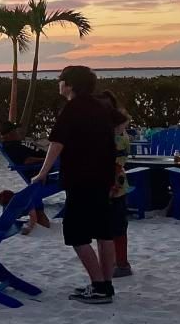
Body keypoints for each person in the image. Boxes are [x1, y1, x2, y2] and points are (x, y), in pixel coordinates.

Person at [32, 66, 120, 305]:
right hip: (102, 176)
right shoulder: (101, 107)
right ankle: (106, 285)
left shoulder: (72, 108)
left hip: (81, 178)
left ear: (70, 84)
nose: (58, 84)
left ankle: (99, 286)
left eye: (61, 80)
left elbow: (57, 143)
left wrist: (42, 173)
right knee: (103, 231)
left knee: (76, 233)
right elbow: (115, 134)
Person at [97, 91, 133, 278]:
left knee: (116, 227)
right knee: (110, 227)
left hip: (113, 185)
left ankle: (121, 263)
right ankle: (115, 262)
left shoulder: (117, 132)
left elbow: (116, 162)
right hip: (109, 184)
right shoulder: (111, 130)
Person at [0, 120, 51, 232]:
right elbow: (27, 160)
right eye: (14, 131)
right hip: (43, 169)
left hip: (45, 164)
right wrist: (47, 160)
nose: (17, 132)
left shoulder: (16, 143)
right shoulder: (12, 147)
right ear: (9, 135)